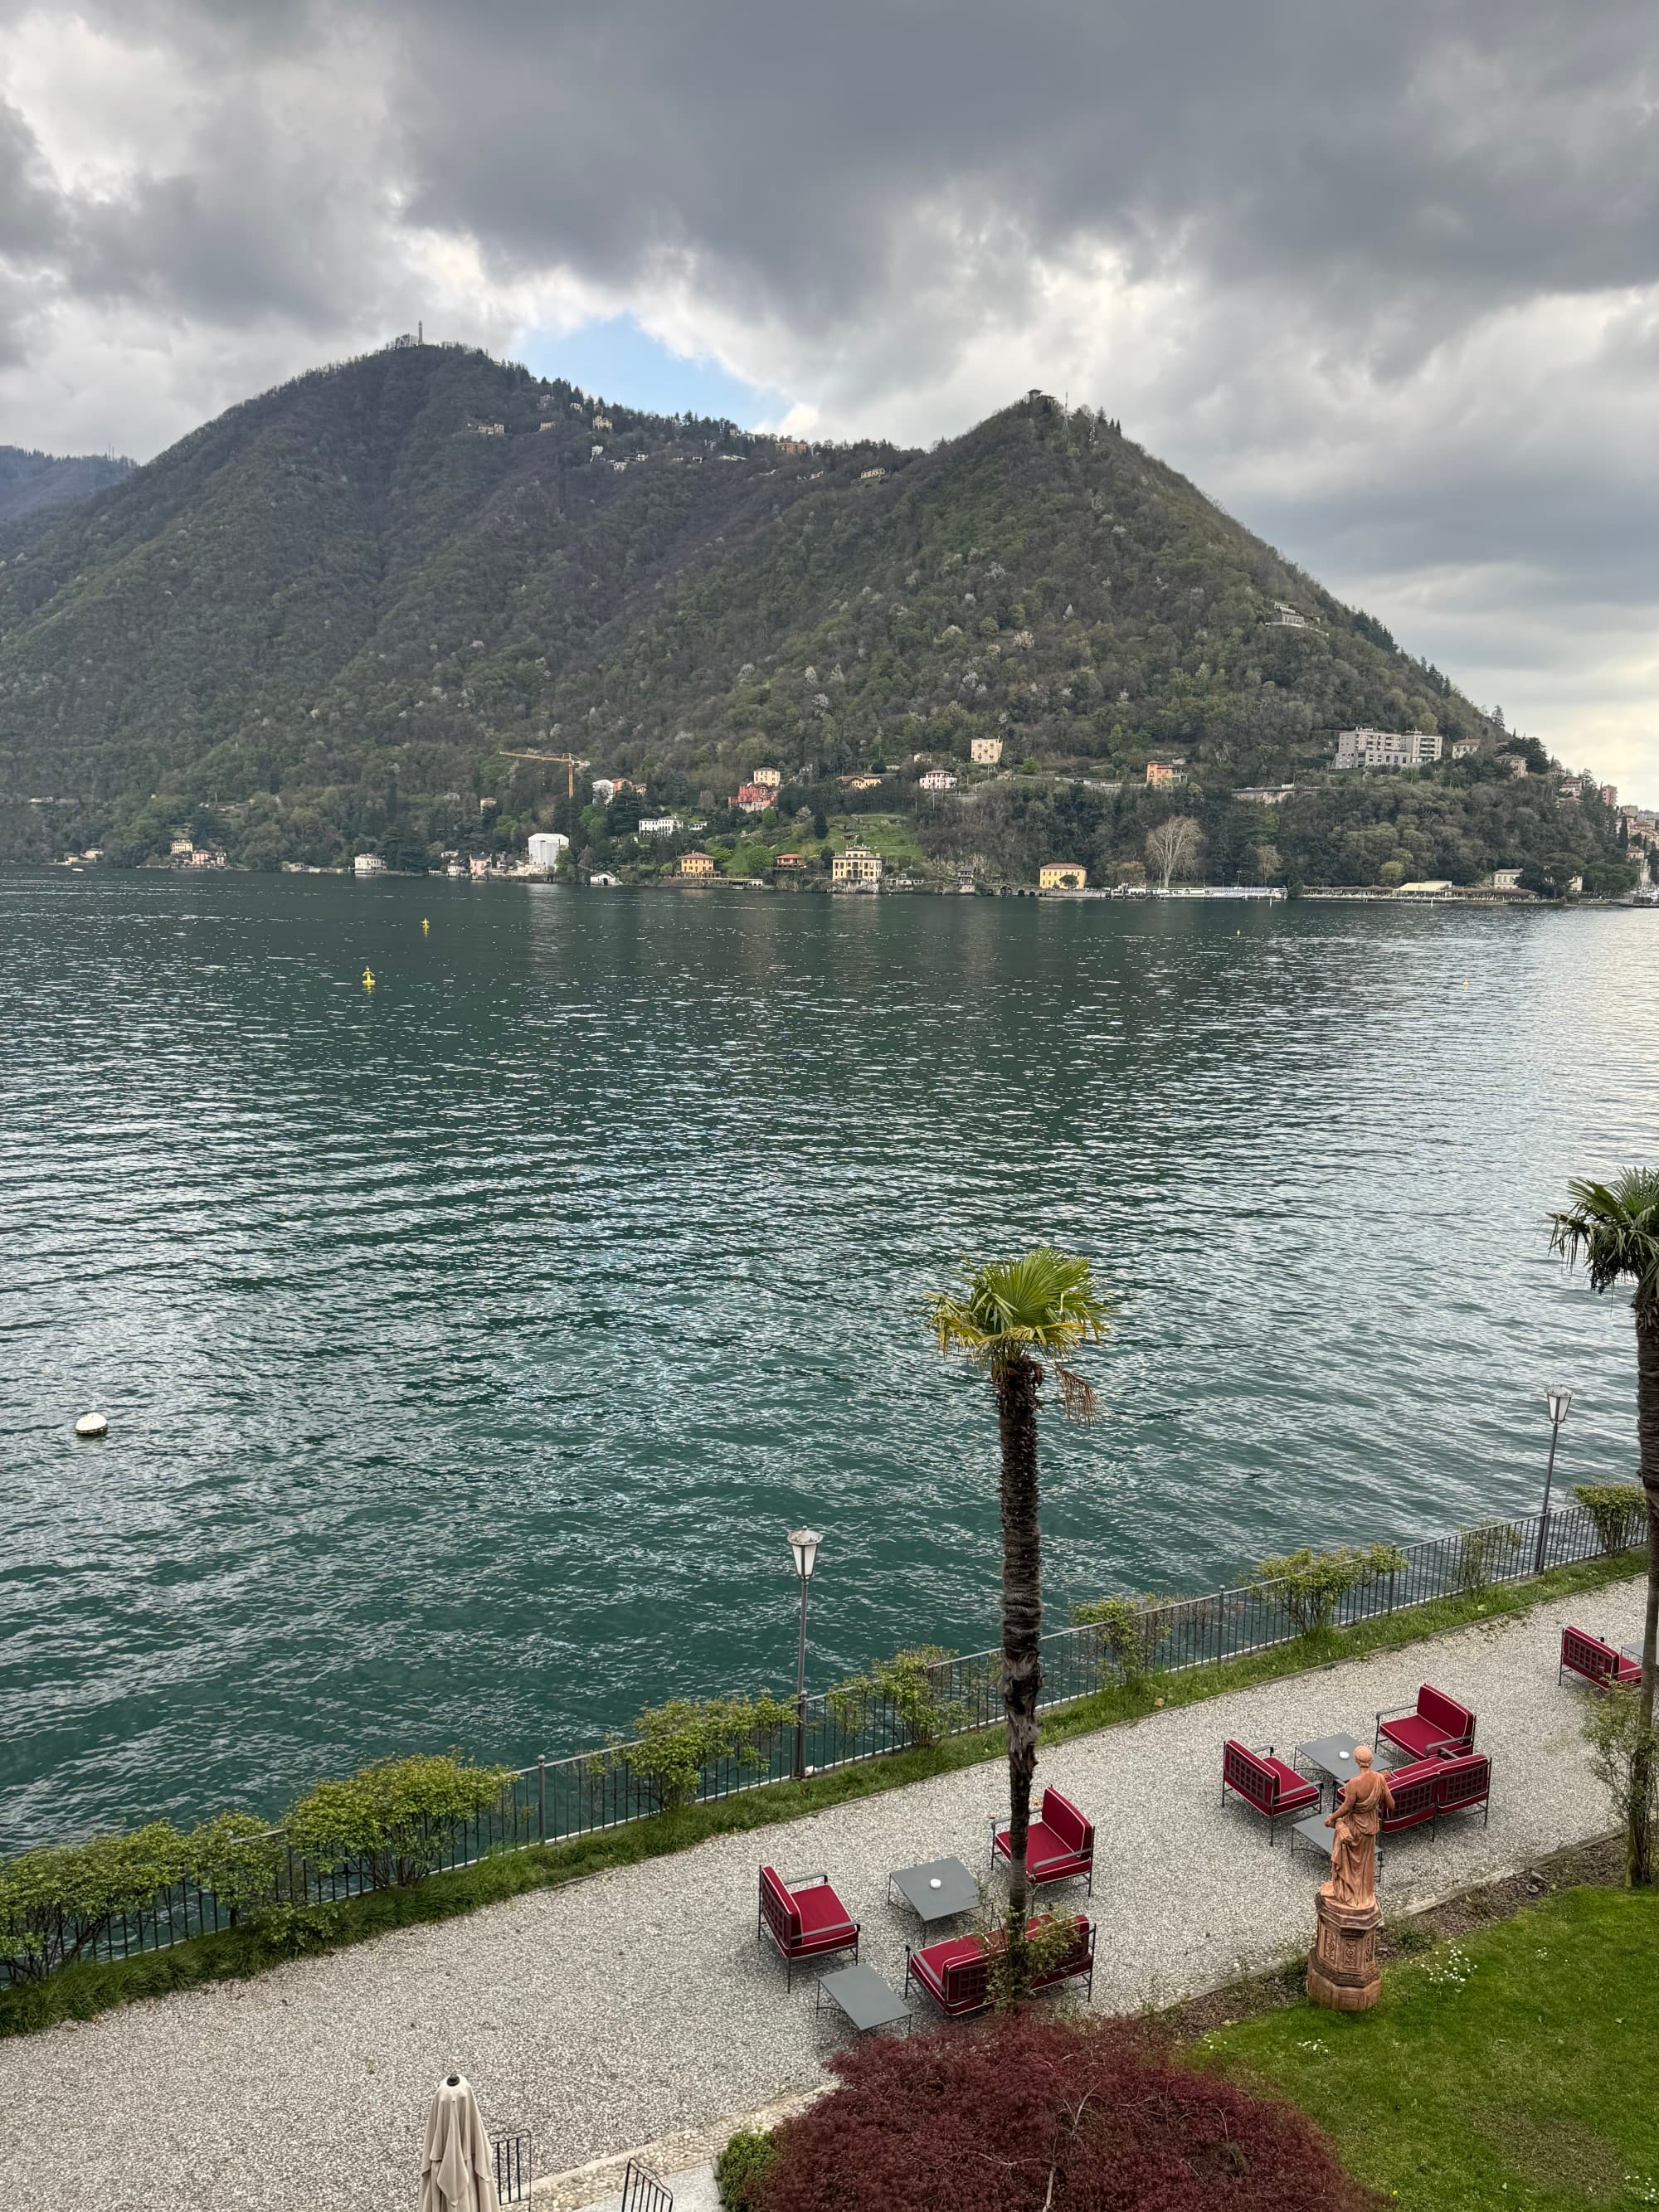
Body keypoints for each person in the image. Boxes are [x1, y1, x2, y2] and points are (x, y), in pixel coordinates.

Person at [1322, 1744, 1394, 1908]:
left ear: (1356, 1761)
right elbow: (1391, 1804)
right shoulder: (1380, 1779)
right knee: (1364, 1863)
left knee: (1348, 1862)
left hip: (1354, 1826)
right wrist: (1377, 1795)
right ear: (1371, 1760)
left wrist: (1331, 1818)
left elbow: (1346, 1807)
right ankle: (1362, 1894)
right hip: (1370, 1825)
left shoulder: (1354, 1783)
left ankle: (1348, 1893)